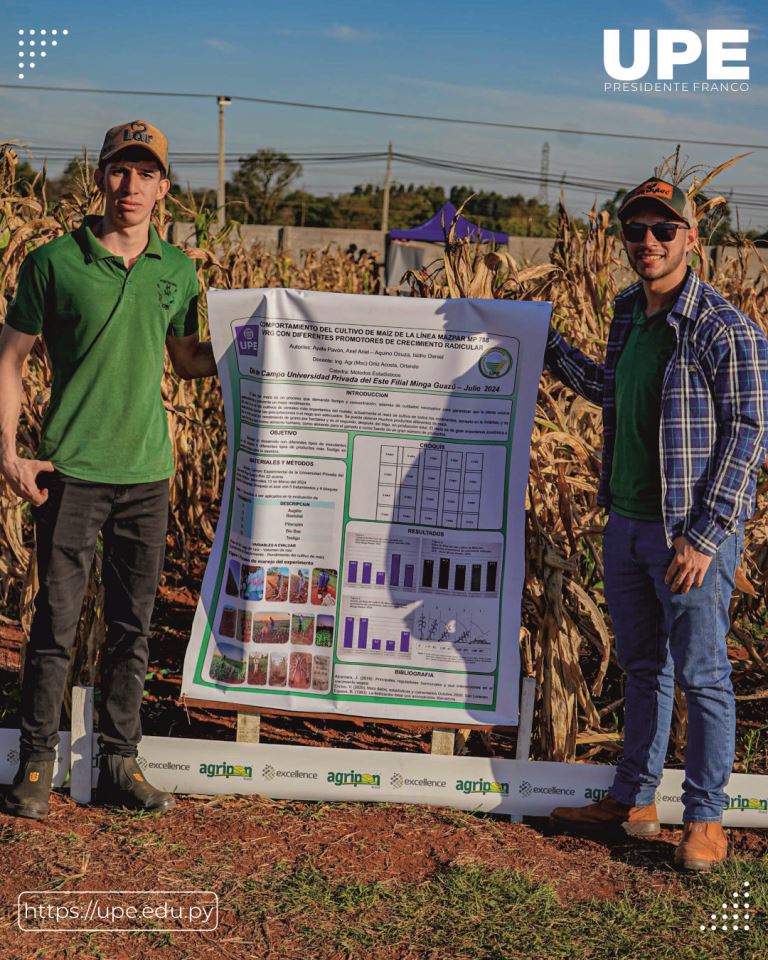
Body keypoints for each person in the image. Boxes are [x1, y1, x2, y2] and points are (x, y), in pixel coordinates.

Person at [545, 177, 768, 871]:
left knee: (702, 674)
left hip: (688, 533)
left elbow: (750, 433)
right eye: (635, 230)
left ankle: (705, 818)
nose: (648, 242)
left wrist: (704, 537)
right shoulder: (626, 314)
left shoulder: (724, 327)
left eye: (663, 230)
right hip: (629, 522)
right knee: (644, 667)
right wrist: (540, 341)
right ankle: (634, 799)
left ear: (692, 239)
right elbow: (607, 388)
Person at [0, 120, 218, 819]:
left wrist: (260, 345)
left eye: (145, 173)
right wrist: (8, 451)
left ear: (164, 188)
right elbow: (10, 358)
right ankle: (36, 762)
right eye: (119, 171)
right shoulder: (53, 262)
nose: (131, 185)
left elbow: (186, 361)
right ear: (99, 178)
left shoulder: (177, 270)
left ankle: (121, 761)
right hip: (71, 471)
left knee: (134, 628)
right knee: (55, 626)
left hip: (148, 475)